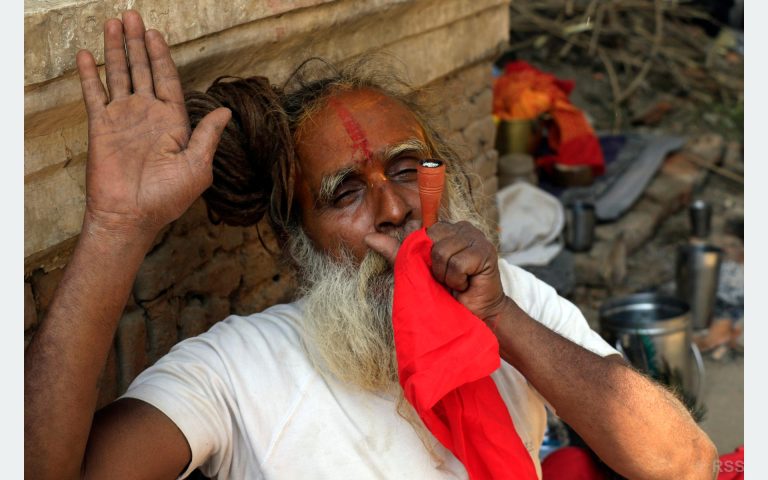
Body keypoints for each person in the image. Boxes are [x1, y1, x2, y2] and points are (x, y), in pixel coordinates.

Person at [24, 10, 718, 480]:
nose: (394, 209)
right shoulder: (236, 370)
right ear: (297, 242)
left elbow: (685, 465)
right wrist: (116, 227)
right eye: (345, 193)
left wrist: (500, 319)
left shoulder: (509, 299)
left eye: (409, 170)